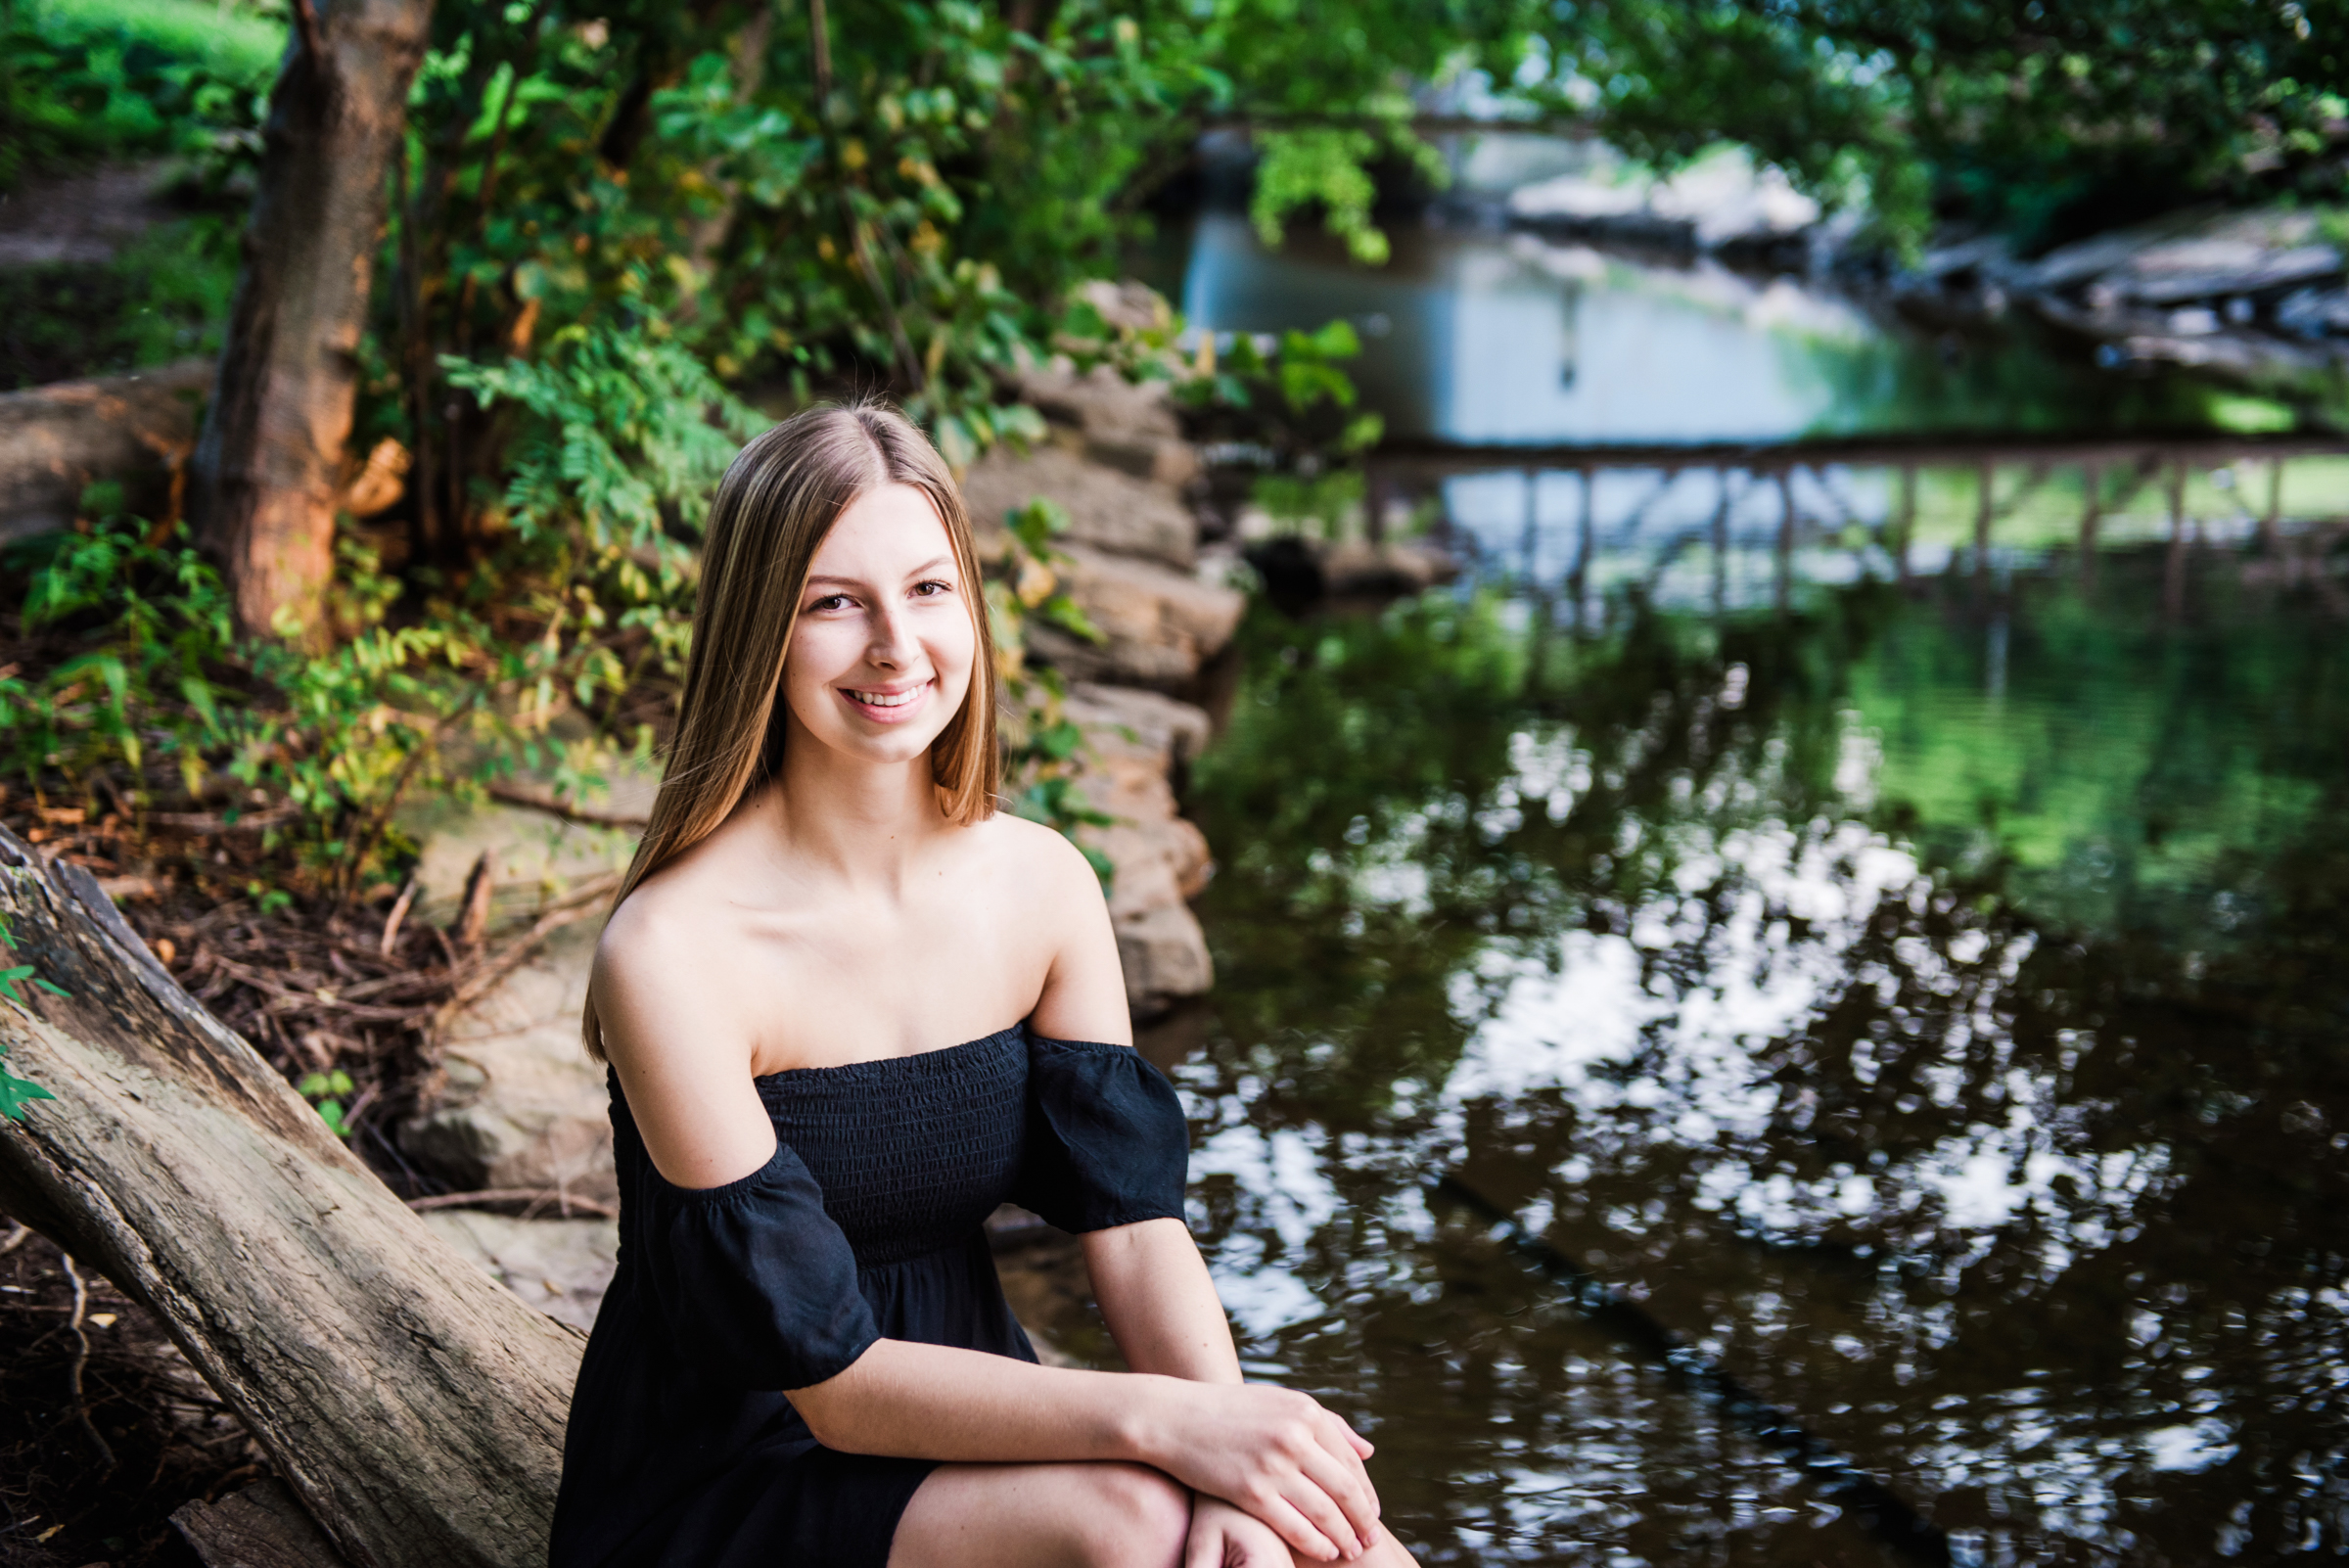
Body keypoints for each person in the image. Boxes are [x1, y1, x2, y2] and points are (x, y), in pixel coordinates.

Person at [550, 401, 1413, 1568]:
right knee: (1137, 1520)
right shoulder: (675, 951)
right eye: (833, 603)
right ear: (761, 628)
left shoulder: (1043, 886)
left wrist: (1236, 1453)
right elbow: (835, 1388)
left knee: (1312, 1535)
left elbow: (1136, 1228)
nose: (895, 647)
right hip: (739, 1470)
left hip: (974, 1415)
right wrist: (1172, 1430)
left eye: (928, 589)